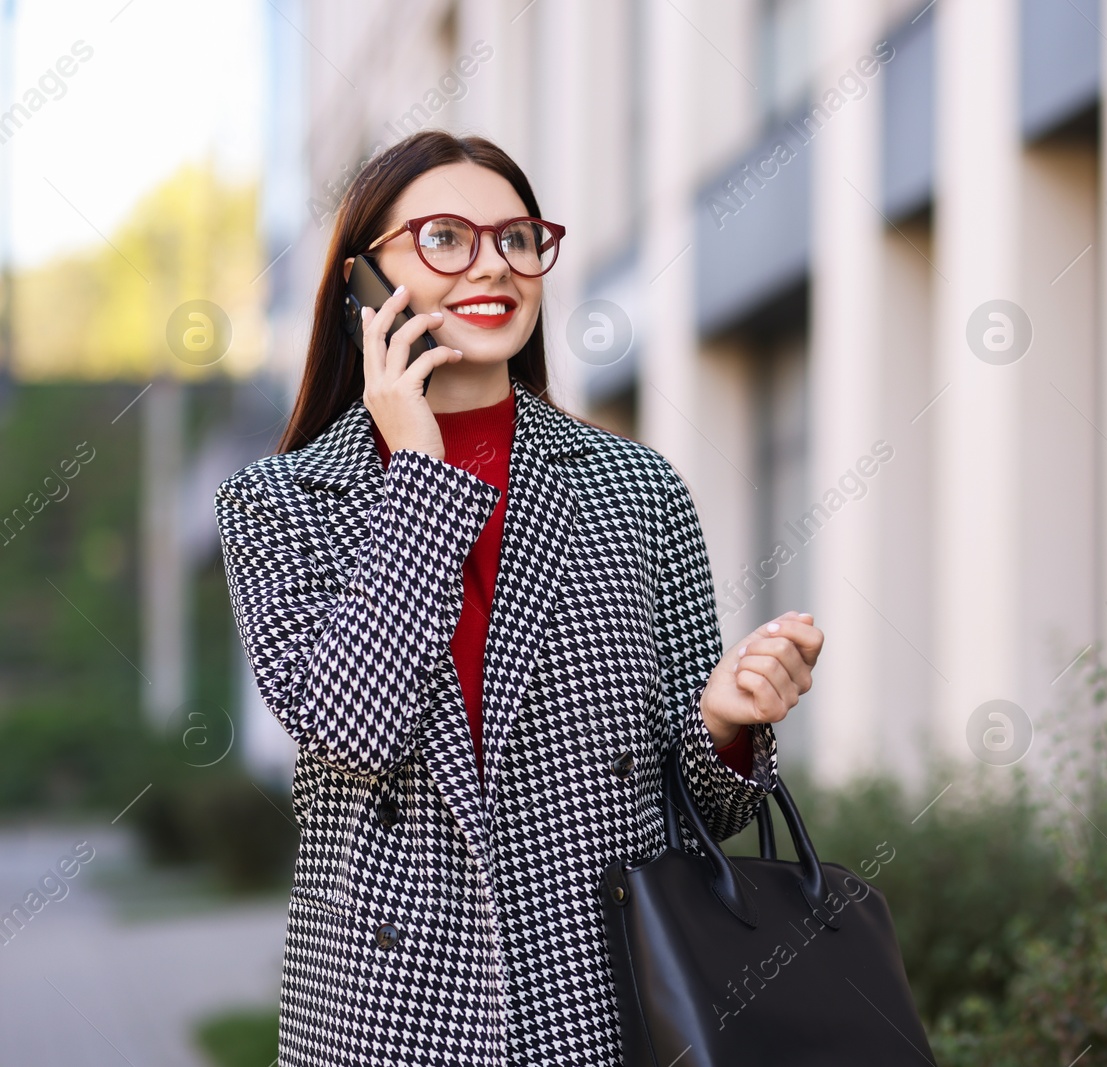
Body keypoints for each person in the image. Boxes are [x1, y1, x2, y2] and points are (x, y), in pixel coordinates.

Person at [214, 129, 823, 1066]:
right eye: (446, 238)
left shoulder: (633, 487)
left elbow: (705, 808)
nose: (493, 264)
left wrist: (725, 724)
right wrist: (416, 464)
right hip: (387, 1020)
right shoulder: (281, 500)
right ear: (362, 284)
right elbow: (350, 724)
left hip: (603, 1004)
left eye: (517, 237)